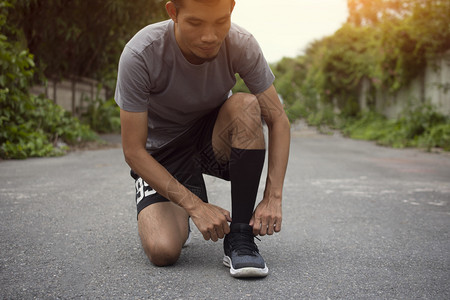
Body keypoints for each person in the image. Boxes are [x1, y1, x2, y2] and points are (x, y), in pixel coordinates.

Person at [115, 0, 290, 278]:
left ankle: (240, 236)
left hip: (211, 139)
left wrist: (273, 197)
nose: (210, 36)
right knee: (163, 250)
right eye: (196, 23)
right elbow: (133, 151)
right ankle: (180, 205)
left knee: (246, 106)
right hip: (163, 154)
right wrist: (195, 206)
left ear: (231, 10)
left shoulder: (241, 43)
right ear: (173, 12)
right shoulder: (141, 53)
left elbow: (278, 119)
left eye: (220, 22)